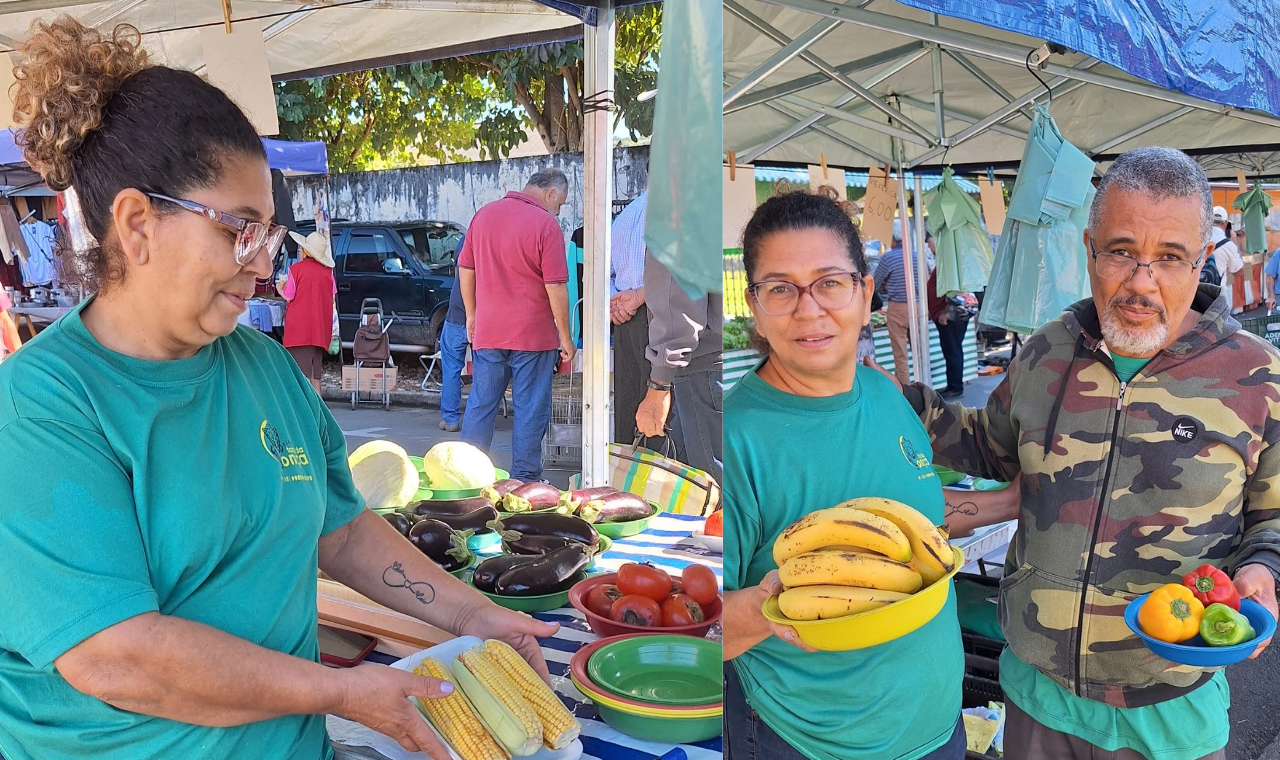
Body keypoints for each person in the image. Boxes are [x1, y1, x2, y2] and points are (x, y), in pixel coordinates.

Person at [0, 19, 558, 760]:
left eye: (267, 235)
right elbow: (116, 656)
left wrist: (472, 615)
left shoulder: (262, 369)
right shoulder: (42, 408)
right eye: (239, 229)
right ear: (137, 225)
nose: (261, 265)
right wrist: (341, 693)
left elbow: (343, 529)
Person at [892, 147, 1280, 760]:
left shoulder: (1257, 376)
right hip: (1038, 694)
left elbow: (1273, 517)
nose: (1141, 281)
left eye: (1170, 258)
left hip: (1170, 708)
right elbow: (988, 448)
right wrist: (903, 403)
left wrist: (1264, 572)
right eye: (1121, 251)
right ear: (1089, 246)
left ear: (1202, 260)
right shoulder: (1045, 353)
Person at [722, 191, 966, 760]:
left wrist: (1012, 501)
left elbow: (918, 519)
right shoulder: (735, 438)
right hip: (811, 741)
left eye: (830, 282)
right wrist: (766, 604)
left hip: (936, 728)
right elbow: (702, 627)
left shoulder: (886, 394)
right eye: (780, 288)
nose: (809, 311)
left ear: (865, 294)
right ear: (754, 308)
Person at [459, 168, 576, 482]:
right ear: (550, 193)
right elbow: (555, 286)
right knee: (530, 408)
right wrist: (565, 335)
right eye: (560, 203)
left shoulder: (483, 216)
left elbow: (465, 269)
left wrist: (472, 314)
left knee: (482, 404)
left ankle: (465, 477)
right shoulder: (546, 224)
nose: (559, 209)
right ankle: (524, 480)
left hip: (489, 331)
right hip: (533, 334)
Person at [636, 251, 722, 483]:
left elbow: (675, 290)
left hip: (705, 364)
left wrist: (659, 384)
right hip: (745, 351)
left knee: (713, 491)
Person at [609, 190, 657, 446]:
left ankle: (624, 477)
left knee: (626, 406)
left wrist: (614, 301)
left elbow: (605, 272)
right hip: (656, 314)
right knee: (658, 411)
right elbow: (673, 275)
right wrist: (635, 298)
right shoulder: (671, 213)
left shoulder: (625, 215)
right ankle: (656, 482)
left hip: (625, 319)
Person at [279, 228, 336, 393]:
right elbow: (331, 298)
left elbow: (289, 296)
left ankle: (303, 415)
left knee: (299, 378)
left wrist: (279, 287)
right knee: (315, 378)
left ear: (305, 250)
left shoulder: (295, 270)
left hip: (299, 331)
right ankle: (319, 414)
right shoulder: (328, 273)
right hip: (320, 331)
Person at [873, 220, 919, 385]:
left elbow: (874, 283)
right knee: (919, 352)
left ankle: (906, 393)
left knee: (901, 355)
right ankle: (924, 388)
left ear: (892, 238)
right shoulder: (916, 255)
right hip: (918, 306)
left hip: (898, 308)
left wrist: (887, 286)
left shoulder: (887, 258)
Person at [926, 256, 969, 400]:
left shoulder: (952, 267)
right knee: (951, 350)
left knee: (953, 350)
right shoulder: (949, 266)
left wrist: (947, 313)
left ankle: (955, 386)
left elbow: (956, 293)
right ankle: (953, 385)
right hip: (946, 315)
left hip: (949, 316)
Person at [437, 233, 467, 433]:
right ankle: (477, 419)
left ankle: (450, 418)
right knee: (486, 371)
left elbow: (458, 273)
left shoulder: (466, 239)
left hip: (457, 312)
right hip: (485, 315)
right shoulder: (502, 238)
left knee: (451, 369)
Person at [1210, 206, 1243, 311]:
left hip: (1194, 294)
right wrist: (1234, 241)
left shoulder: (1198, 237)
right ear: (1225, 223)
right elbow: (1238, 271)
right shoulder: (1228, 245)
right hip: (1216, 296)